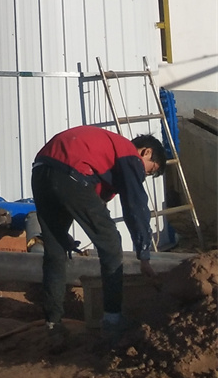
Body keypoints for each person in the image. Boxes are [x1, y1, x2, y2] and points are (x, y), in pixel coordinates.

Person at [31, 124, 167, 343]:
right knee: (112, 244)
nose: (144, 175)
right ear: (146, 152)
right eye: (149, 170)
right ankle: (113, 320)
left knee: (55, 251)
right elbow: (135, 205)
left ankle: (53, 325)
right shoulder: (129, 154)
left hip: (41, 171)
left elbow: (84, 202)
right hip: (70, 173)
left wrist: (63, 234)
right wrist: (144, 255)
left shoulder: (103, 156)